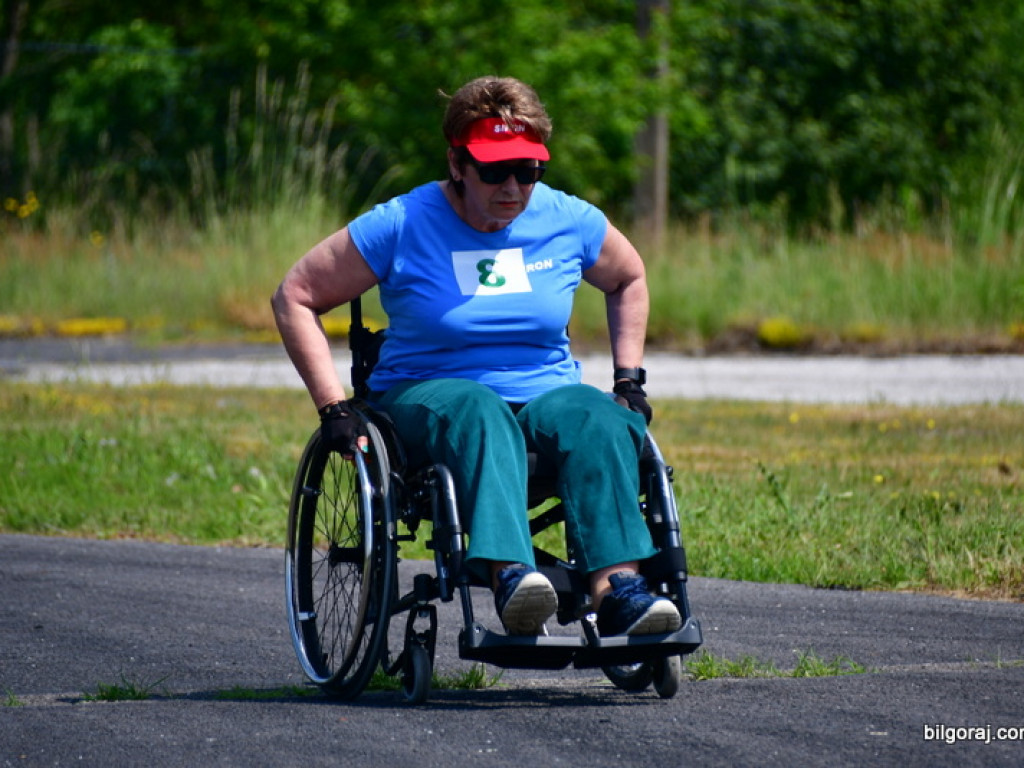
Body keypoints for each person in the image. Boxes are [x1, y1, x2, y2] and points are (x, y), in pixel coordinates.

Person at [272, 76, 681, 638]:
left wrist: (628, 378)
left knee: (599, 417)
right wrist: (332, 407)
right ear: (457, 164)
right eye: (494, 170)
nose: (512, 186)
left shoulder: (568, 219)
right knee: (478, 408)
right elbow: (295, 295)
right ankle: (513, 576)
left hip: (544, 391)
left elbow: (628, 277)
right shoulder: (403, 222)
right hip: (427, 393)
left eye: (528, 170)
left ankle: (618, 590)